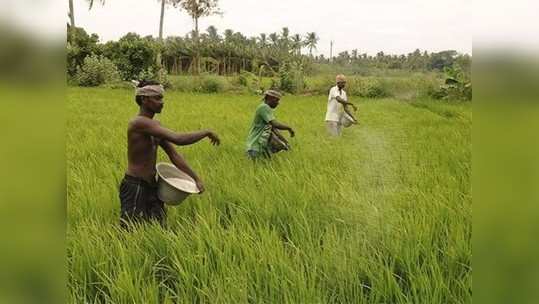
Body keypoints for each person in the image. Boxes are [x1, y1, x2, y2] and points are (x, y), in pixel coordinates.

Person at [119, 80, 220, 228]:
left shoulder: (154, 128)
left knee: (158, 225)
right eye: (158, 98)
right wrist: (206, 132)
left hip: (151, 185)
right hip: (135, 186)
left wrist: (195, 178)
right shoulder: (139, 123)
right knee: (130, 230)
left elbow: (174, 155)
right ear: (144, 99)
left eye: (162, 98)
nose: (162, 102)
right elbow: (178, 139)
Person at [245, 90, 295, 159]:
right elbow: (274, 124)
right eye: (276, 100)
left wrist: (286, 143)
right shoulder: (264, 107)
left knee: (265, 167)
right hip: (256, 147)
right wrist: (289, 128)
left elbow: (274, 129)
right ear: (270, 98)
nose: (278, 103)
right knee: (259, 168)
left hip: (261, 147)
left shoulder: (266, 109)